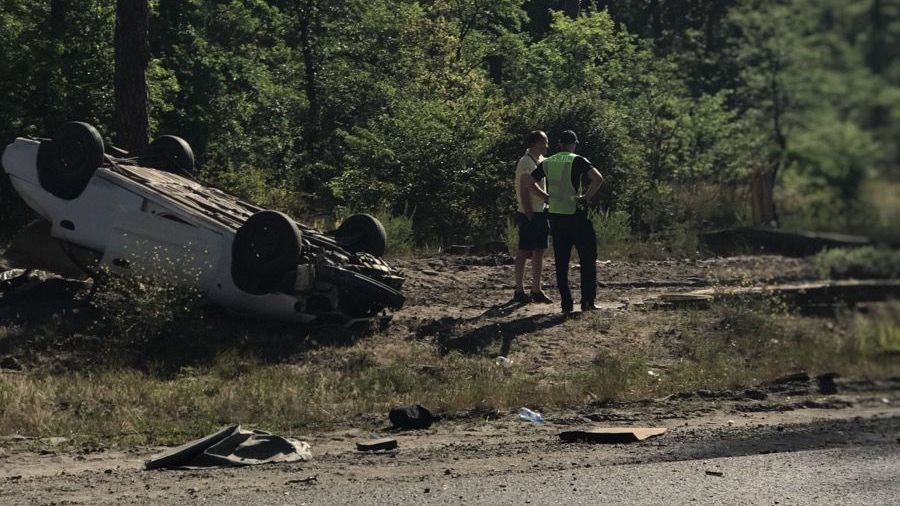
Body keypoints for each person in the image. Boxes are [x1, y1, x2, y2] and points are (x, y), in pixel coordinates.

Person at [530, 130, 604, 312]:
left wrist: (546, 197)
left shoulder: (548, 162)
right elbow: (598, 179)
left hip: (555, 217)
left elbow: (529, 182)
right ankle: (587, 302)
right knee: (587, 259)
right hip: (575, 215)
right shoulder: (578, 159)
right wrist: (586, 197)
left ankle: (566, 303)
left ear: (559, 144)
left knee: (561, 262)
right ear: (574, 144)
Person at [512, 130, 553, 304]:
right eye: (544, 142)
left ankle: (536, 289)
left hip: (542, 211)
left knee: (539, 249)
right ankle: (519, 290)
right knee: (524, 250)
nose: (547, 145)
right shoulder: (525, 162)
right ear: (535, 143)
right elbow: (525, 187)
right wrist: (529, 211)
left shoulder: (542, 161)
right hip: (529, 212)